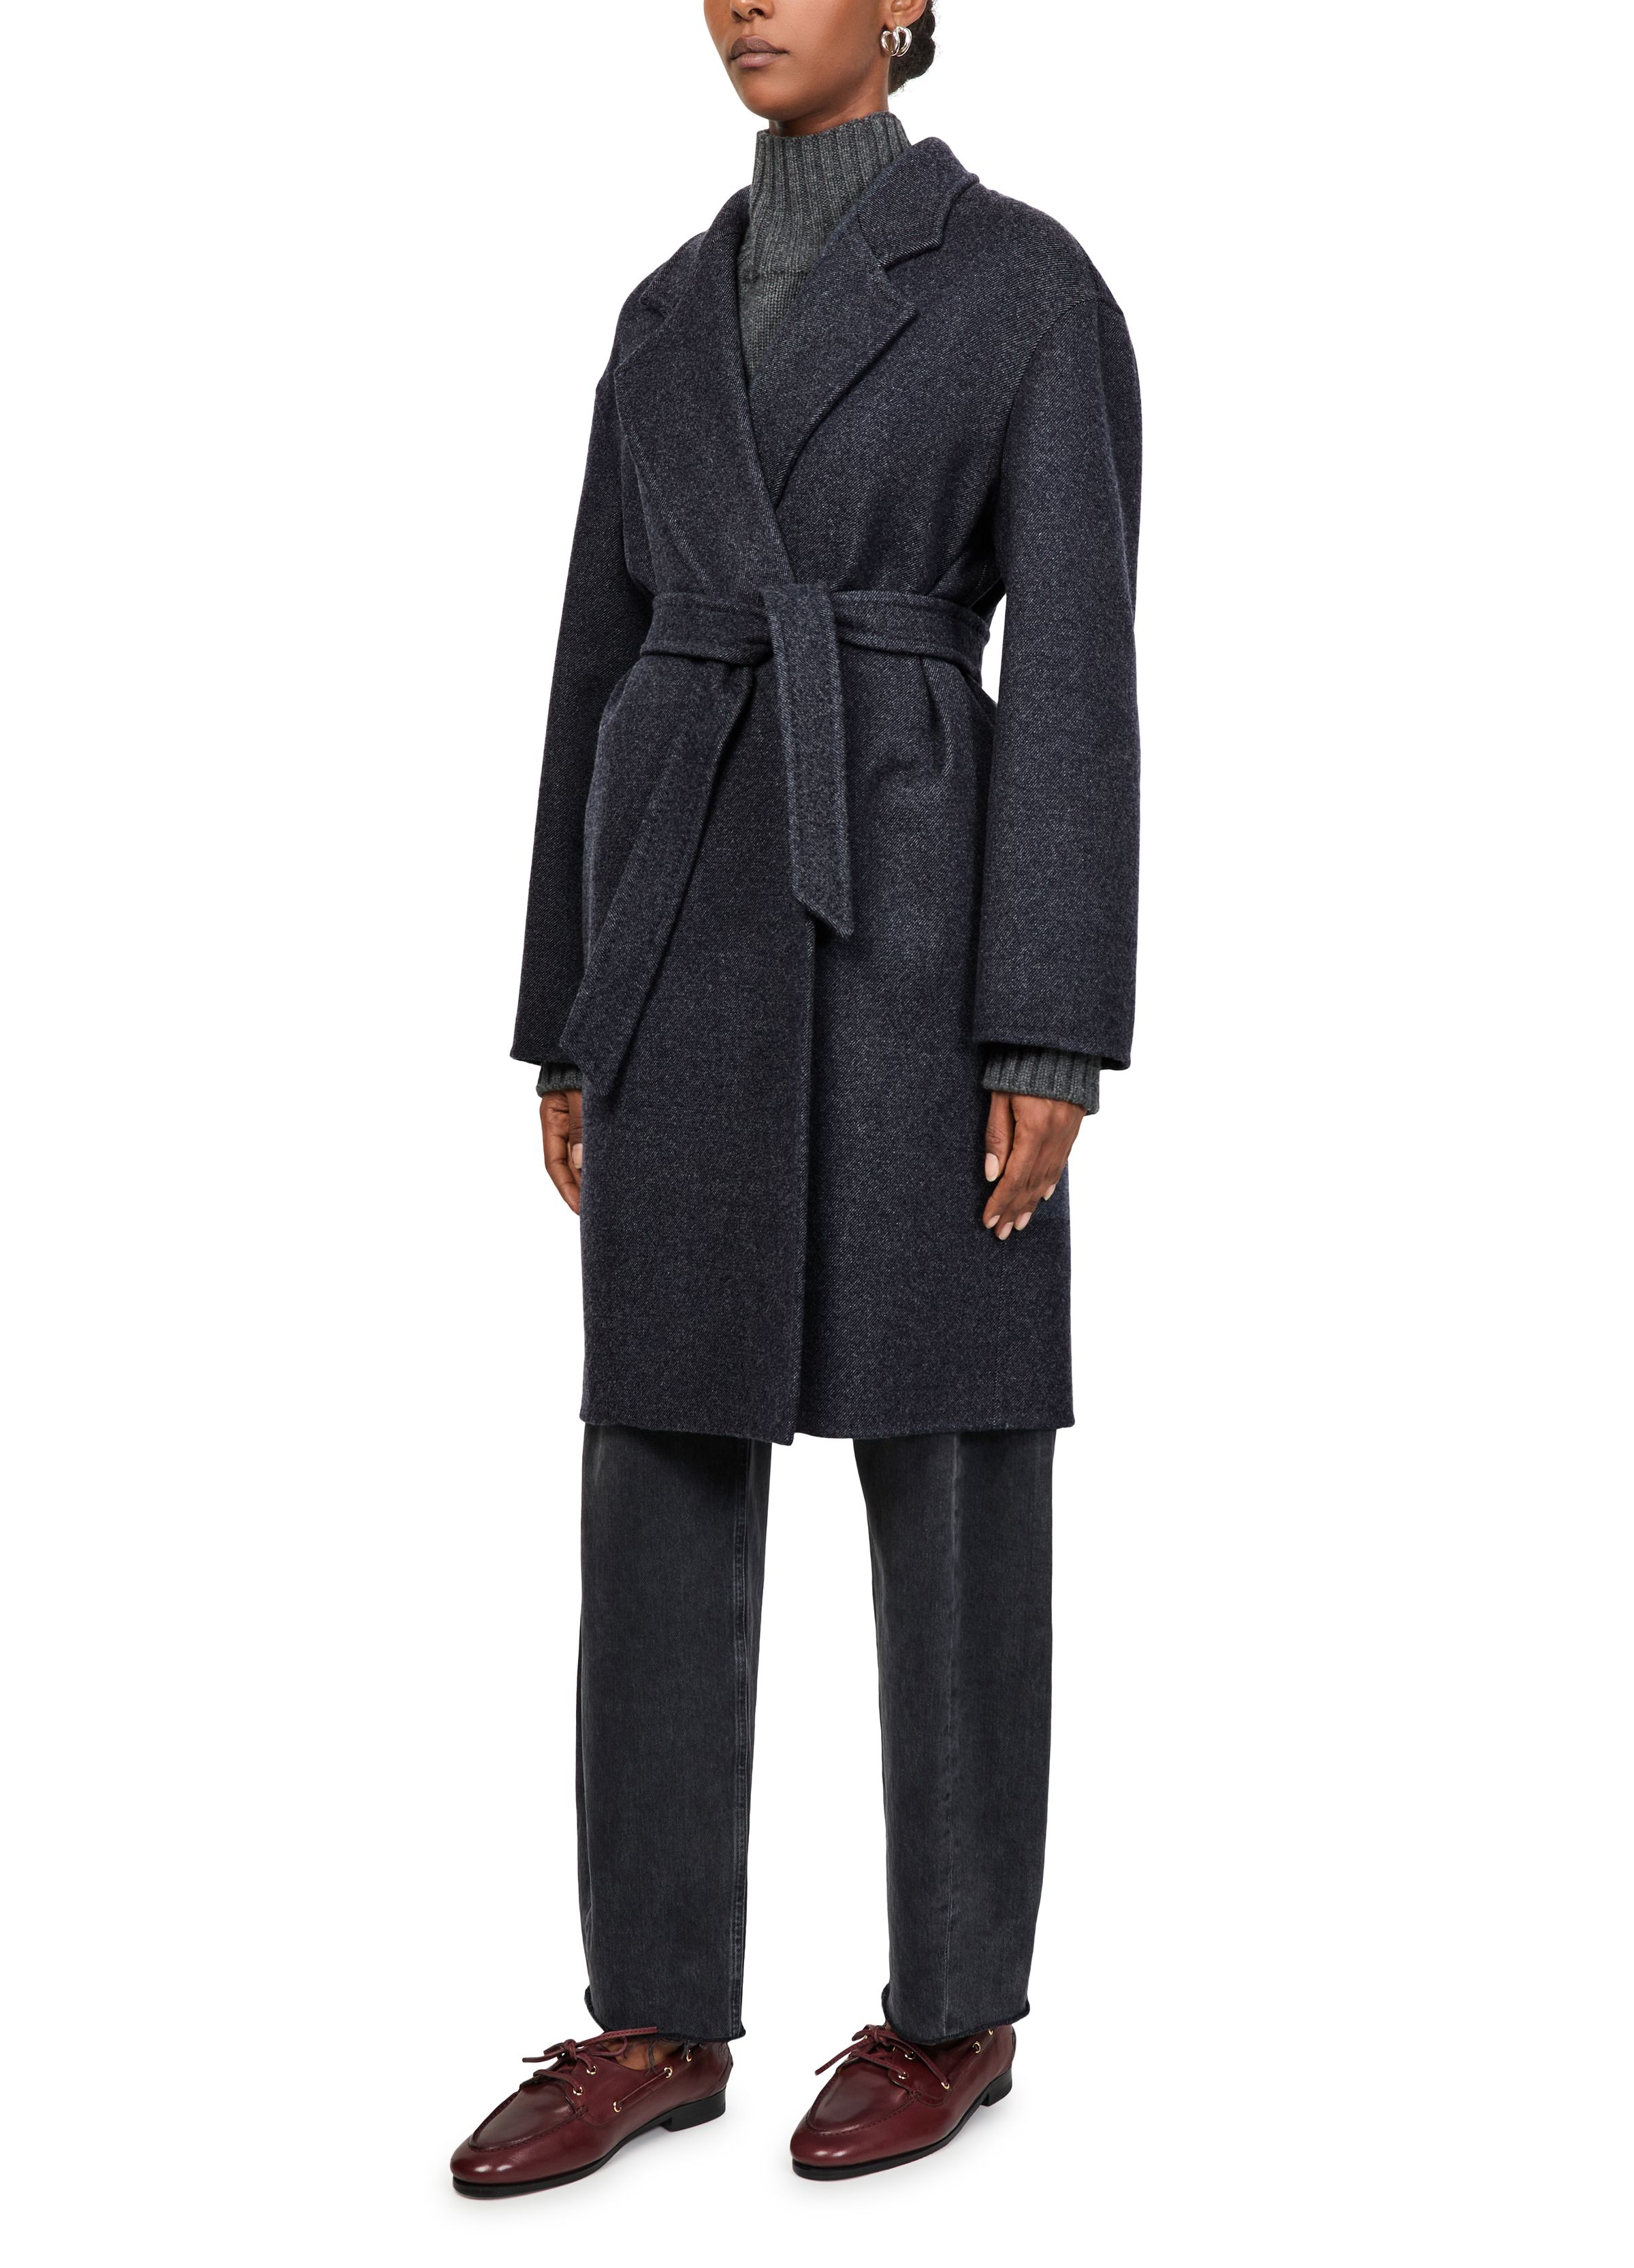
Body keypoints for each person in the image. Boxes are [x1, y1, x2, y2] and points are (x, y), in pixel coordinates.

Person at [451, 0, 1140, 2193]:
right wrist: (569, 1011)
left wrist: (1048, 1029)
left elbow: (1082, 674)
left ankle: (957, 2003)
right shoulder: (661, 317)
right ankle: (654, 2009)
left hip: (921, 914)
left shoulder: (1024, 286)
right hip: (680, 917)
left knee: (956, 1447)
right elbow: (593, 663)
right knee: (655, 1443)